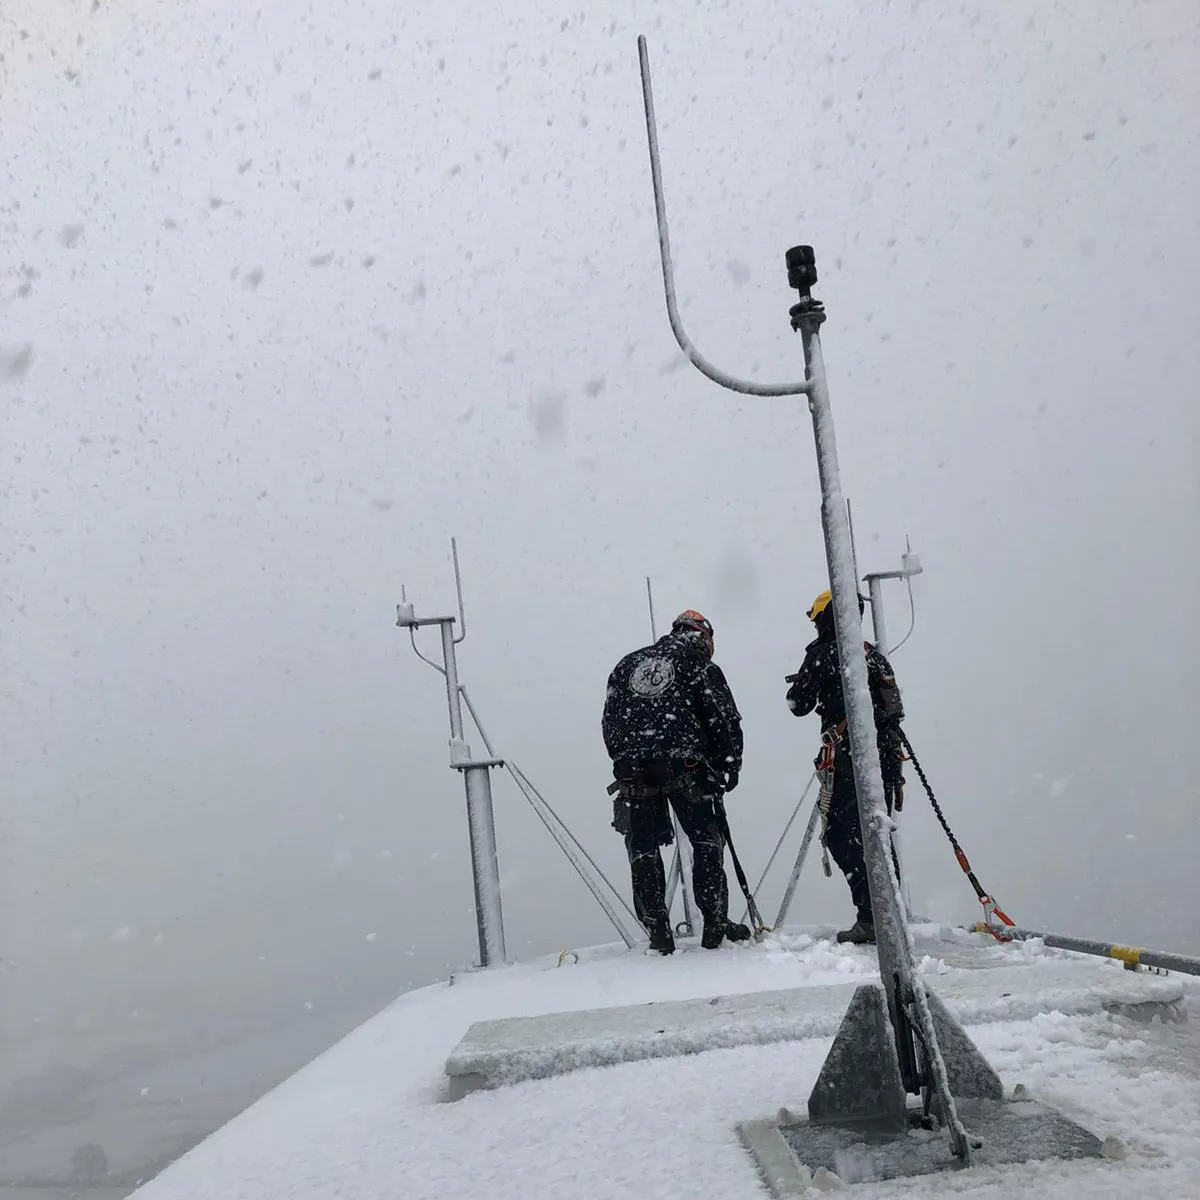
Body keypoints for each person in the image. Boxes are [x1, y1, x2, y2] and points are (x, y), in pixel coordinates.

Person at [602, 609, 752, 954]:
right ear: (705, 637)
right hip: (684, 761)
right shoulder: (698, 664)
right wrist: (730, 763)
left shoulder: (628, 664)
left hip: (633, 765)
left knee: (642, 847)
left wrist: (624, 763)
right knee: (705, 839)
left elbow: (610, 720)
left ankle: (657, 930)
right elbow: (723, 718)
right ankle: (714, 924)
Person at [785, 589, 906, 945]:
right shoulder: (873, 656)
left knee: (845, 834)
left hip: (851, 755)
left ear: (825, 618)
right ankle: (889, 912)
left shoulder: (824, 653)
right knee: (876, 832)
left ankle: (872, 917)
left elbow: (798, 705)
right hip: (882, 754)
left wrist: (807, 679)